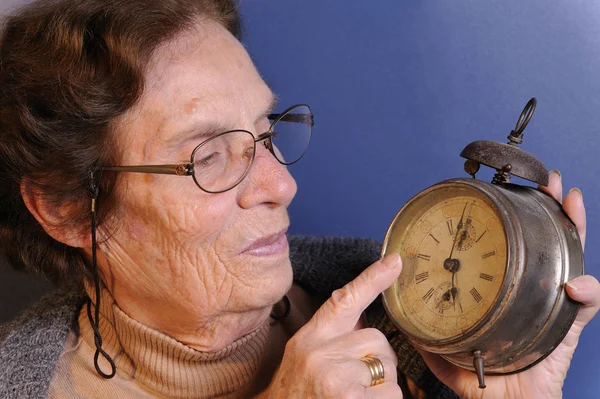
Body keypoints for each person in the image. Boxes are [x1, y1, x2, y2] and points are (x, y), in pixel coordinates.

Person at [0, 0, 598, 398]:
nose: (281, 185)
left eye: (266, 133)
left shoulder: (415, 319)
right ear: (67, 208)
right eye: (208, 157)